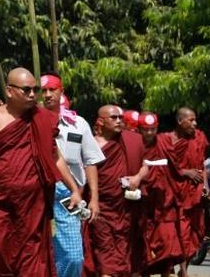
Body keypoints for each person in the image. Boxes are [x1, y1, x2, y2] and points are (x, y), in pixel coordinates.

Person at [0, 68, 82, 276]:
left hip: (33, 203)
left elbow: (55, 157)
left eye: (34, 89)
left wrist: (73, 188)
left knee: (30, 259)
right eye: (27, 90)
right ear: (10, 91)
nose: (33, 95)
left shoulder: (42, 119)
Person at [40, 72, 104, 277]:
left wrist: (94, 198)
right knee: (36, 254)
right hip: (37, 194)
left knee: (73, 256)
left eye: (52, 89)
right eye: (43, 91)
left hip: (69, 196)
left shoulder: (78, 123)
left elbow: (91, 161)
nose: (48, 94)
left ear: (61, 91)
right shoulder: (29, 122)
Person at [83, 105, 144, 277]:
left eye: (120, 117)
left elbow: (146, 164)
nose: (119, 121)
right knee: (106, 254)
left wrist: (137, 177)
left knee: (123, 253)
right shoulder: (91, 144)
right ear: (101, 121)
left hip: (124, 208)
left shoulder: (129, 141)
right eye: (114, 118)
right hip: (102, 208)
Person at [160, 107, 209, 276]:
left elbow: (201, 163)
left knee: (194, 233)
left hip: (194, 193)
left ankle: (184, 270)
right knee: (176, 234)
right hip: (172, 193)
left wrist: (205, 186)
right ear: (180, 121)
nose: (195, 124)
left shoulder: (199, 138)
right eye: (191, 120)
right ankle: (175, 271)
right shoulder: (166, 140)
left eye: (195, 120)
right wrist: (184, 172)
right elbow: (160, 166)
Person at [137, 112, 184, 276]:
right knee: (144, 242)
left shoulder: (164, 141)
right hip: (143, 200)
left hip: (164, 199)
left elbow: (175, 168)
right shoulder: (135, 144)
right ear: (139, 129)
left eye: (152, 129)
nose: (149, 133)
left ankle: (167, 272)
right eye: (145, 129)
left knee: (168, 240)